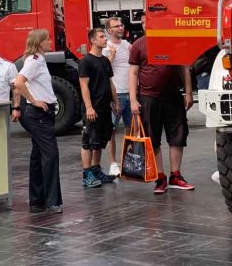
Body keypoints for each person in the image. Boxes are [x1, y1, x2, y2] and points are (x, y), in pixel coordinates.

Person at [129, 35, 195, 195]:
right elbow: (133, 73)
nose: (147, 24)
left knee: (178, 136)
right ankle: (160, 178)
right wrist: (133, 100)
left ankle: (175, 176)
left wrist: (188, 93)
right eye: (144, 23)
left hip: (173, 96)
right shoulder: (139, 45)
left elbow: (184, 68)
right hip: (148, 98)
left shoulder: (174, 42)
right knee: (152, 138)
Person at [13, 29, 62, 213]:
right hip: (38, 114)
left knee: (38, 155)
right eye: (47, 39)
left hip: (42, 113)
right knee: (50, 154)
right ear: (39, 43)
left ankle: (37, 200)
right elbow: (18, 82)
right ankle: (52, 201)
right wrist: (34, 101)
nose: (50, 41)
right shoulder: (33, 61)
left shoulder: (38, 60)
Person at [78, 27, 118, 189]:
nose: (105, 39)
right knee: (88, 142)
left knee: (100, 141)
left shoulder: (105, 61)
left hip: (104, 108)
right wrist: (89, 107)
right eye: (101, 37)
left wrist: (116, 101)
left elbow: (110, 83)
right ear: (93, 40)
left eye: (104, 36)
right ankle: (87, 174)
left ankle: (96, 170)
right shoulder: (86, 61)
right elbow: (83, 85)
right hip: (92, 109)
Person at [103, 17, 132, 177]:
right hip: (117, 94)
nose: (120, 28)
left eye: (121, 25)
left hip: (130, 93)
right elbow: (104, 69)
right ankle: (113, 164)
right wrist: (112, 55)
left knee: (130, 129)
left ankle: (126, 161)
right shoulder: (106, 47)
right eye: (116, 26)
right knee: (111, 131)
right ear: (109, 30)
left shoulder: (127, 45)